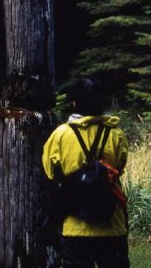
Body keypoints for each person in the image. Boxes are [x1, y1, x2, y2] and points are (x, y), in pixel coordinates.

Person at [42, 78, 129, 268]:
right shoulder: (116, 134)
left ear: (75, 103)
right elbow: (119, 168)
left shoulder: (61, 134)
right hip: (112, 223)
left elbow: (50, 172)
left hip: (74, 224)